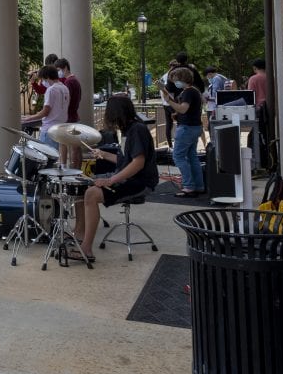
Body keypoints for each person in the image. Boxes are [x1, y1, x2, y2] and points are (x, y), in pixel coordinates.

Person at [74, 95, 159, 262]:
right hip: (129, 177)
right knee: (80, 185)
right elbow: (125, 161)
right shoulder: (128, 130)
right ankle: (79, 234)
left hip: (140, 181)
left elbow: (138, 163)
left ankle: (86, 249)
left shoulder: (137, 130)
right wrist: (104, 154)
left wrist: (110, 181)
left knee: (91, 194)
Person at [160, 67, 205, 197]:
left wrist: (169, 102)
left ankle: (188, 186)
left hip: (186, 128)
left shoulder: (188, 92)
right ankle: (198, 185)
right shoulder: (194, 91)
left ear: (182, 79)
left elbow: (183, 109)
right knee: (192, 157)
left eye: (176, 80)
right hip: (195, 127)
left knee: (178, 156)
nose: (175, 83)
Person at [21, 65, 69, 153]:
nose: (42, 82)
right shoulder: (64, 88)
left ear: (47, 77)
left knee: (46, 157)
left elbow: (45, 112)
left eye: (42, 79)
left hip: (49, 130)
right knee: (55, 156)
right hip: (61, 128)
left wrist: (29, 118)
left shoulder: (51, 90)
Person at [54, 58, 83, 168]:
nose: (58, 73)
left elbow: (66, 101)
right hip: (74, 116)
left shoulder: (69, 82)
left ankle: (72, 171)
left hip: (68, 118)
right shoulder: (75, 80)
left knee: (70, 147)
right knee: (76, 146)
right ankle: (77, 170)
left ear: (65, 67)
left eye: (58, 70)